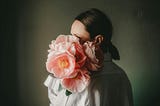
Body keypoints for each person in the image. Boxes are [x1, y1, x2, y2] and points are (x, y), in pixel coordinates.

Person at [44, 8, 134, 106]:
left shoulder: (87, 80)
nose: (70, 42)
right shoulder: (121, 75)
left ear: (98, 40)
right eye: (71, 36)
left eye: (77, 38)